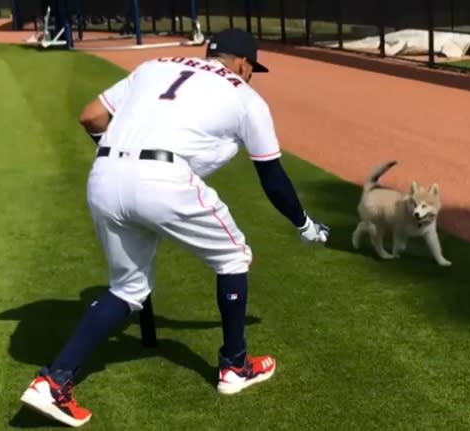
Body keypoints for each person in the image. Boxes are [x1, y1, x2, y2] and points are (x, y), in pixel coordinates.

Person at [19, 28, 330, 428]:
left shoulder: (154, 66)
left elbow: (91, 116)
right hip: (164, 177)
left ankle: (53, 381)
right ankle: (235, 367)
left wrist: (123, 165)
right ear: (244, 63)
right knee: (233, 256)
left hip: (105, 173)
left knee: (127, 290)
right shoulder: (246, 95)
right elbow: (272, 177)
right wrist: (304, 224)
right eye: (252, 68)